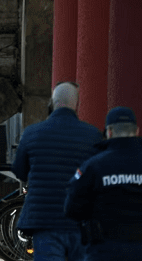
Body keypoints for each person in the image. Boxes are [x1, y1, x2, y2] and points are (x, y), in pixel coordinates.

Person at [11, 81, 102, 260]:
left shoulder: (32, 133)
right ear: (77, 104)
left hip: (44, 220)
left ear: (52, 102)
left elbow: (19, 171)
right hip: (80, 221)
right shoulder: (93, 135)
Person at [65, 107, 142, 260]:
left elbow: (71, 208)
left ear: (109, 132)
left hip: (104, 249)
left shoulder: (93, 166)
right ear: (137, 131)